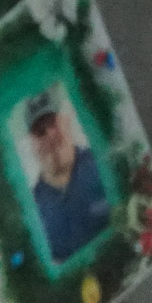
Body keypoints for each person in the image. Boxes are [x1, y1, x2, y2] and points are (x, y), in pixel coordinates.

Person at [23, 90, 109, 262]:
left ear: (67, 122)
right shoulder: (31, 210)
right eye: (39, 130)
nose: (49, 134)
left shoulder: (105, 163)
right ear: (31, 143)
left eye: (52, 122)